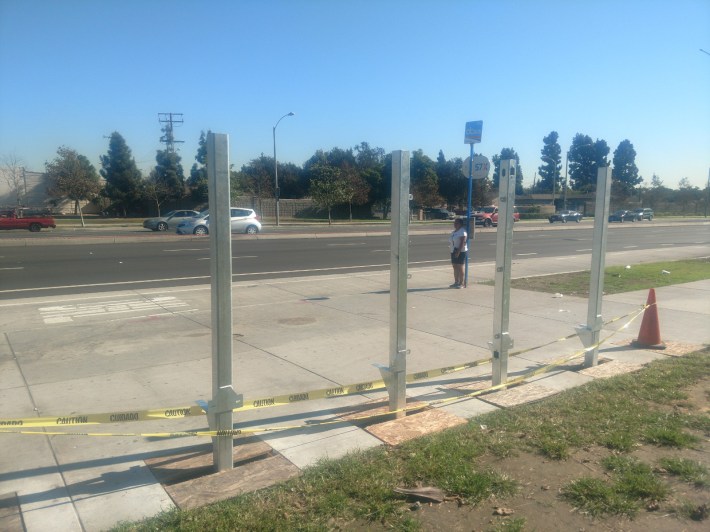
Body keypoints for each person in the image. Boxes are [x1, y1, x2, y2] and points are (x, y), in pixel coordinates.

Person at [449, 218, 468, 288]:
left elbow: (462, 243)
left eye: (457, 223)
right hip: (453, 250)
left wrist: (458, 252)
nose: (455, 224)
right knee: (455, 266)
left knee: (460, 267)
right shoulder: (454, 232)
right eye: (454, 223)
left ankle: (461, 283)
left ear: (460, 224)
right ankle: (456, 282)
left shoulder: (462, 232)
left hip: (461, 251)